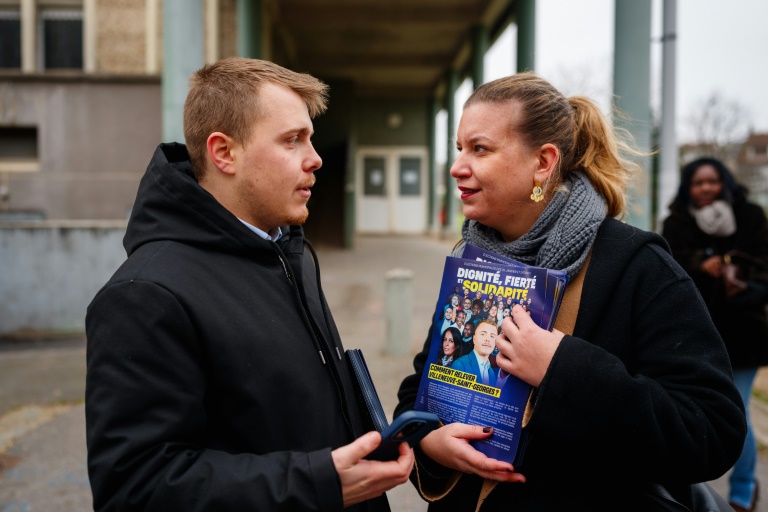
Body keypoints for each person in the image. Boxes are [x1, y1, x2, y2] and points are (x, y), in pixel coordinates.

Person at [394, 73, 745, 511]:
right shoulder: (473, 260)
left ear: (543, 163)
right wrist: (430, 443)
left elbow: (711, 430)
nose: (457, 166)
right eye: (459, 148)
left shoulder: (638, 265)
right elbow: (419, 389)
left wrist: (562, 368)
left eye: (479, 148)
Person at [85, 57, 413, 512]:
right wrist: (318, 483)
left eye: (310, 139)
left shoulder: (287, 251)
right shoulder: (144, 295)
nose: (315, 159)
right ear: (224, 153)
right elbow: (136, 490)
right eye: (292, 140)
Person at [662, 157, 768, 512]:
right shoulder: (676, 224)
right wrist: (700, 264)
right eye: (697, 182)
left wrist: (738, 281)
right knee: (691, 411)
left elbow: (764, 273)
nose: (706, 188)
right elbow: (667, 273)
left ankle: (742, 491)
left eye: (712, 181)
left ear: (725, 182)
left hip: (744, 336)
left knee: (737, 411)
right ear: (687, 188)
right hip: (692, 336)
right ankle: (695, 493)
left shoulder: (751, 217)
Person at [451, 320, 499, 386]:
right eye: (483, 334)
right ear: (474, 339)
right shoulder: (460, 364)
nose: (487, 339)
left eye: (492, 336)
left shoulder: (491, 373)